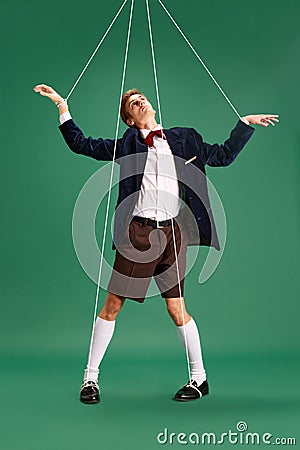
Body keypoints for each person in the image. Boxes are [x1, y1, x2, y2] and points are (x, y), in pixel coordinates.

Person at [33, 84, 279, 404]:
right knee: (113, 305)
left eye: (142, 98)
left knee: (177, 308)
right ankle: (90, 379)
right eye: (134, 103)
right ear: (130, 120)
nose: (141, 101)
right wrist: (61, 106)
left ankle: (199, 379)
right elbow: (81, 144)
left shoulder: (185, 137)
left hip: (174, 234)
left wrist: (244, 124)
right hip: (139, 234)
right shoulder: (127, 145)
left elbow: (222, 156)